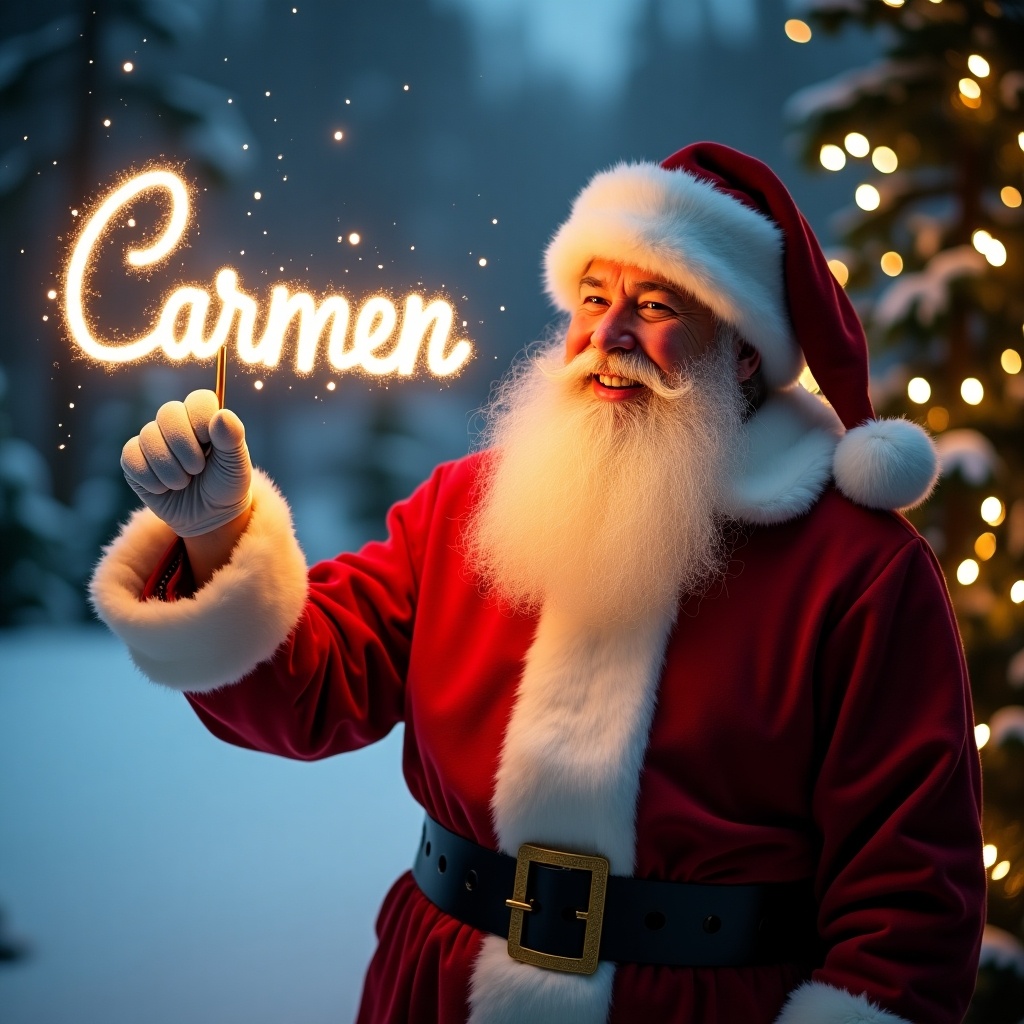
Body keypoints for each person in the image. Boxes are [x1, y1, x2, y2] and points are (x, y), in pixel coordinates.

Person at [89, 142, 985, 1024]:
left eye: (657, 305)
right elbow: (306, 689)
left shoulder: (857, 570)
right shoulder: (470, 508)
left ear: (744, 351)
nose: (609, 334)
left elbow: (910, 906)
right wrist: (213, 538)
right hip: (442, 991)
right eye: (592, 299)